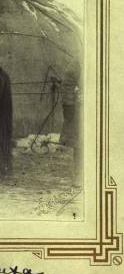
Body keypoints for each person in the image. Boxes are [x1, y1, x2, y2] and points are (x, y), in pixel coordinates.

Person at [60, 58, 82, 186]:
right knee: (80, 143)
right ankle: (79, 174)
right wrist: (69, 106)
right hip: (82, 110)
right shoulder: (77, 62)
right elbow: (68, 84)